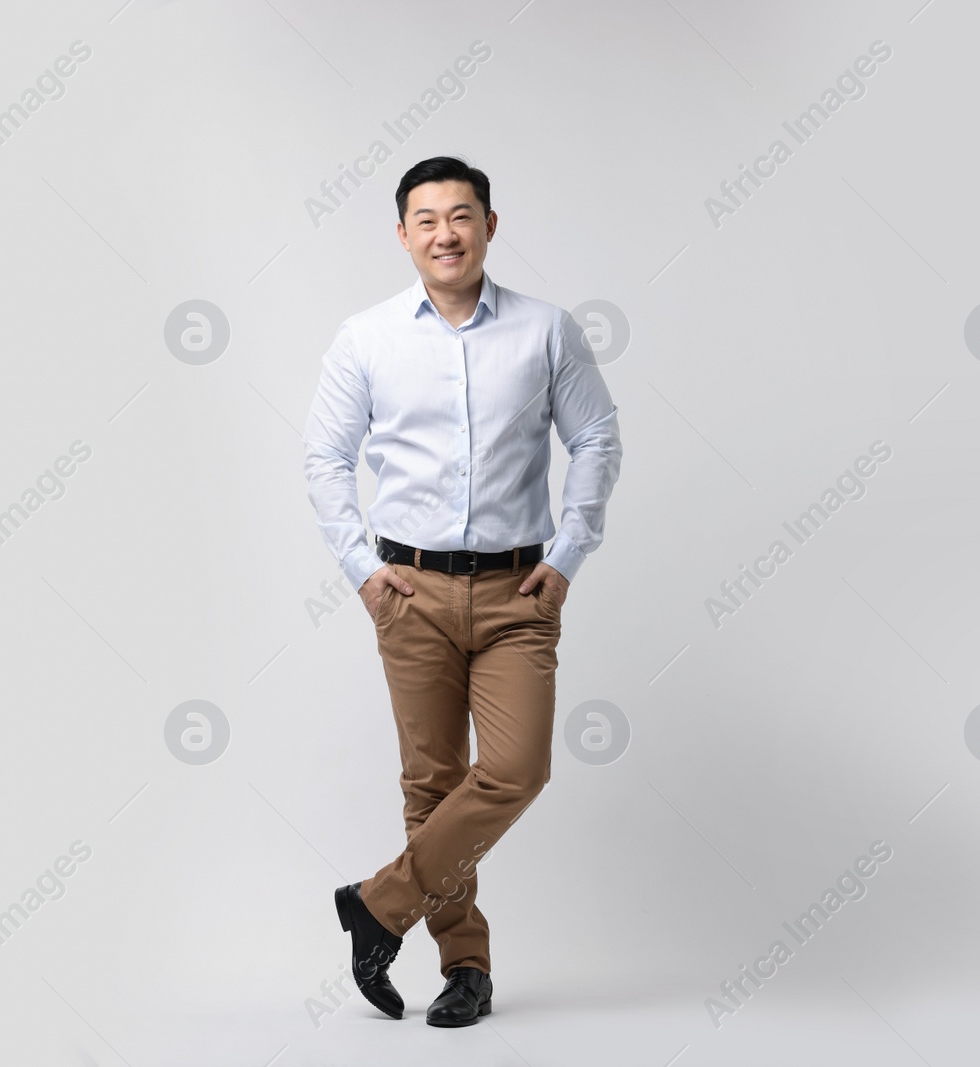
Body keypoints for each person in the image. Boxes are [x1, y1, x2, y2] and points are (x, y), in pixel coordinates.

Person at [304, 156, 622, 1026]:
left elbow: (596, 435)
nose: (446, 233)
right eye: (427, 218)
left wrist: (569, 551)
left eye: (462, 215)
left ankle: (377, 903)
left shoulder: (546, 331)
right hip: (410, 590)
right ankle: (465, 968)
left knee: (518, 768)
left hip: (520, 588)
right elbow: (324, 461)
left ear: (489, 224)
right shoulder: (365, 338)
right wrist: (365, 573)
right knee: (433, 785)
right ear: (402, 233)